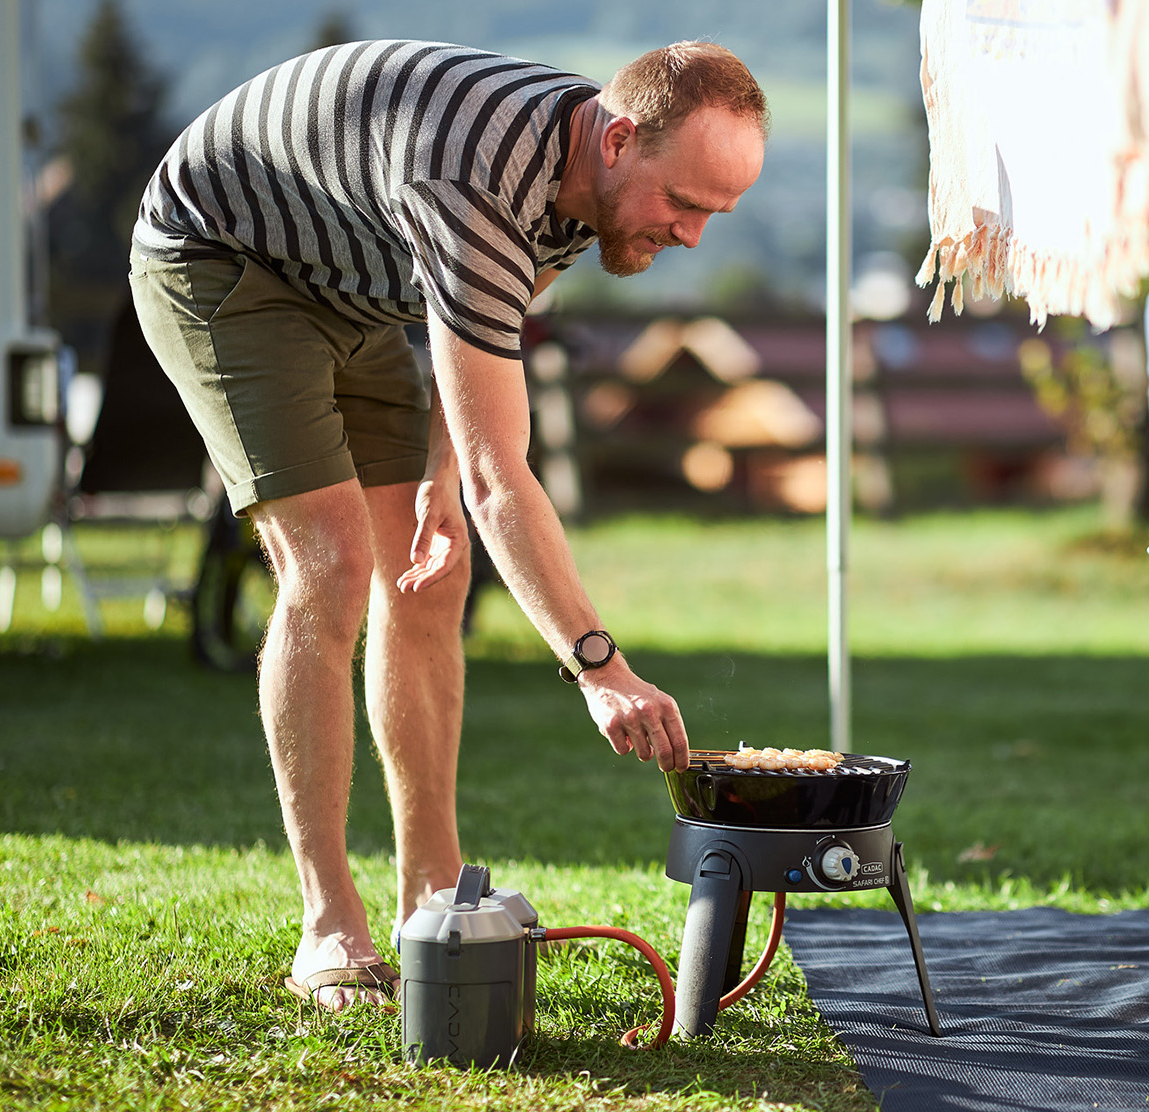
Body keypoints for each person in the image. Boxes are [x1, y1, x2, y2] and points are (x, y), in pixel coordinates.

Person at [128, 39, 768, 1010]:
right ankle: (328, 924)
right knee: (333, 563)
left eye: (716, 217)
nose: (690, 237)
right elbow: (501, 473)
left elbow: (478, 382)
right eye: (683, 204)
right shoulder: (477, 176)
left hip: (354, 289)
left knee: (433, 568)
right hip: (224, 262)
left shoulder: (579, 191)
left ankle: (433, 899)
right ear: (620, 137)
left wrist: (438, 476)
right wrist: (601, 668)